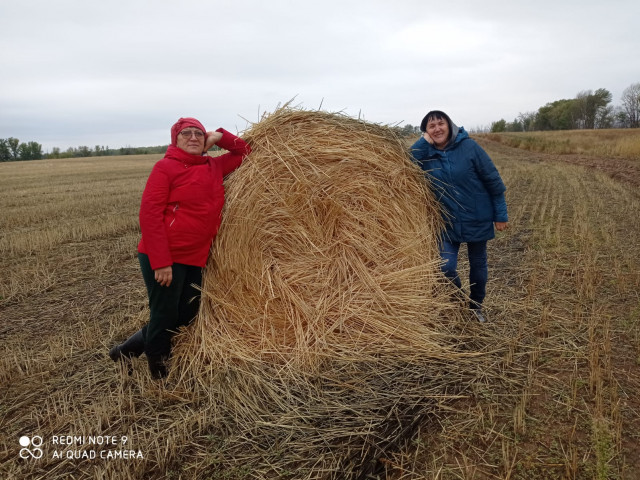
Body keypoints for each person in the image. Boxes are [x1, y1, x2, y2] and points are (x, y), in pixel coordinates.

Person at [109, 117, 251, 378]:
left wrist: (220, 135)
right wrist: (161, 262)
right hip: (165, 255)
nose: (194, 138)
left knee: (187, 312)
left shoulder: (213, 166)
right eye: (187, 134)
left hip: (196, 256)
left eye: (199, 133)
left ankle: (128, 349)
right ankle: (160, 371)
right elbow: (149, 215)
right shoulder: (165, 168)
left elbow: (245, 152)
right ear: (175, 139)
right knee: (164, 314)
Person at [411, 110, 508, 322]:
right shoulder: (425, 154)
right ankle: (461, 299)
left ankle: (476, 306)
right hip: (447, 221)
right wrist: (422, 142)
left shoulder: (469, 147)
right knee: (444, 267)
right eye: (431, 126)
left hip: (477, 217)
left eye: (440, 123)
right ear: (426, 131)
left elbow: (493, 181)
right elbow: (406, 164)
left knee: (478, 267)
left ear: (450, 125)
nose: (437, 129)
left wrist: (500, 214)